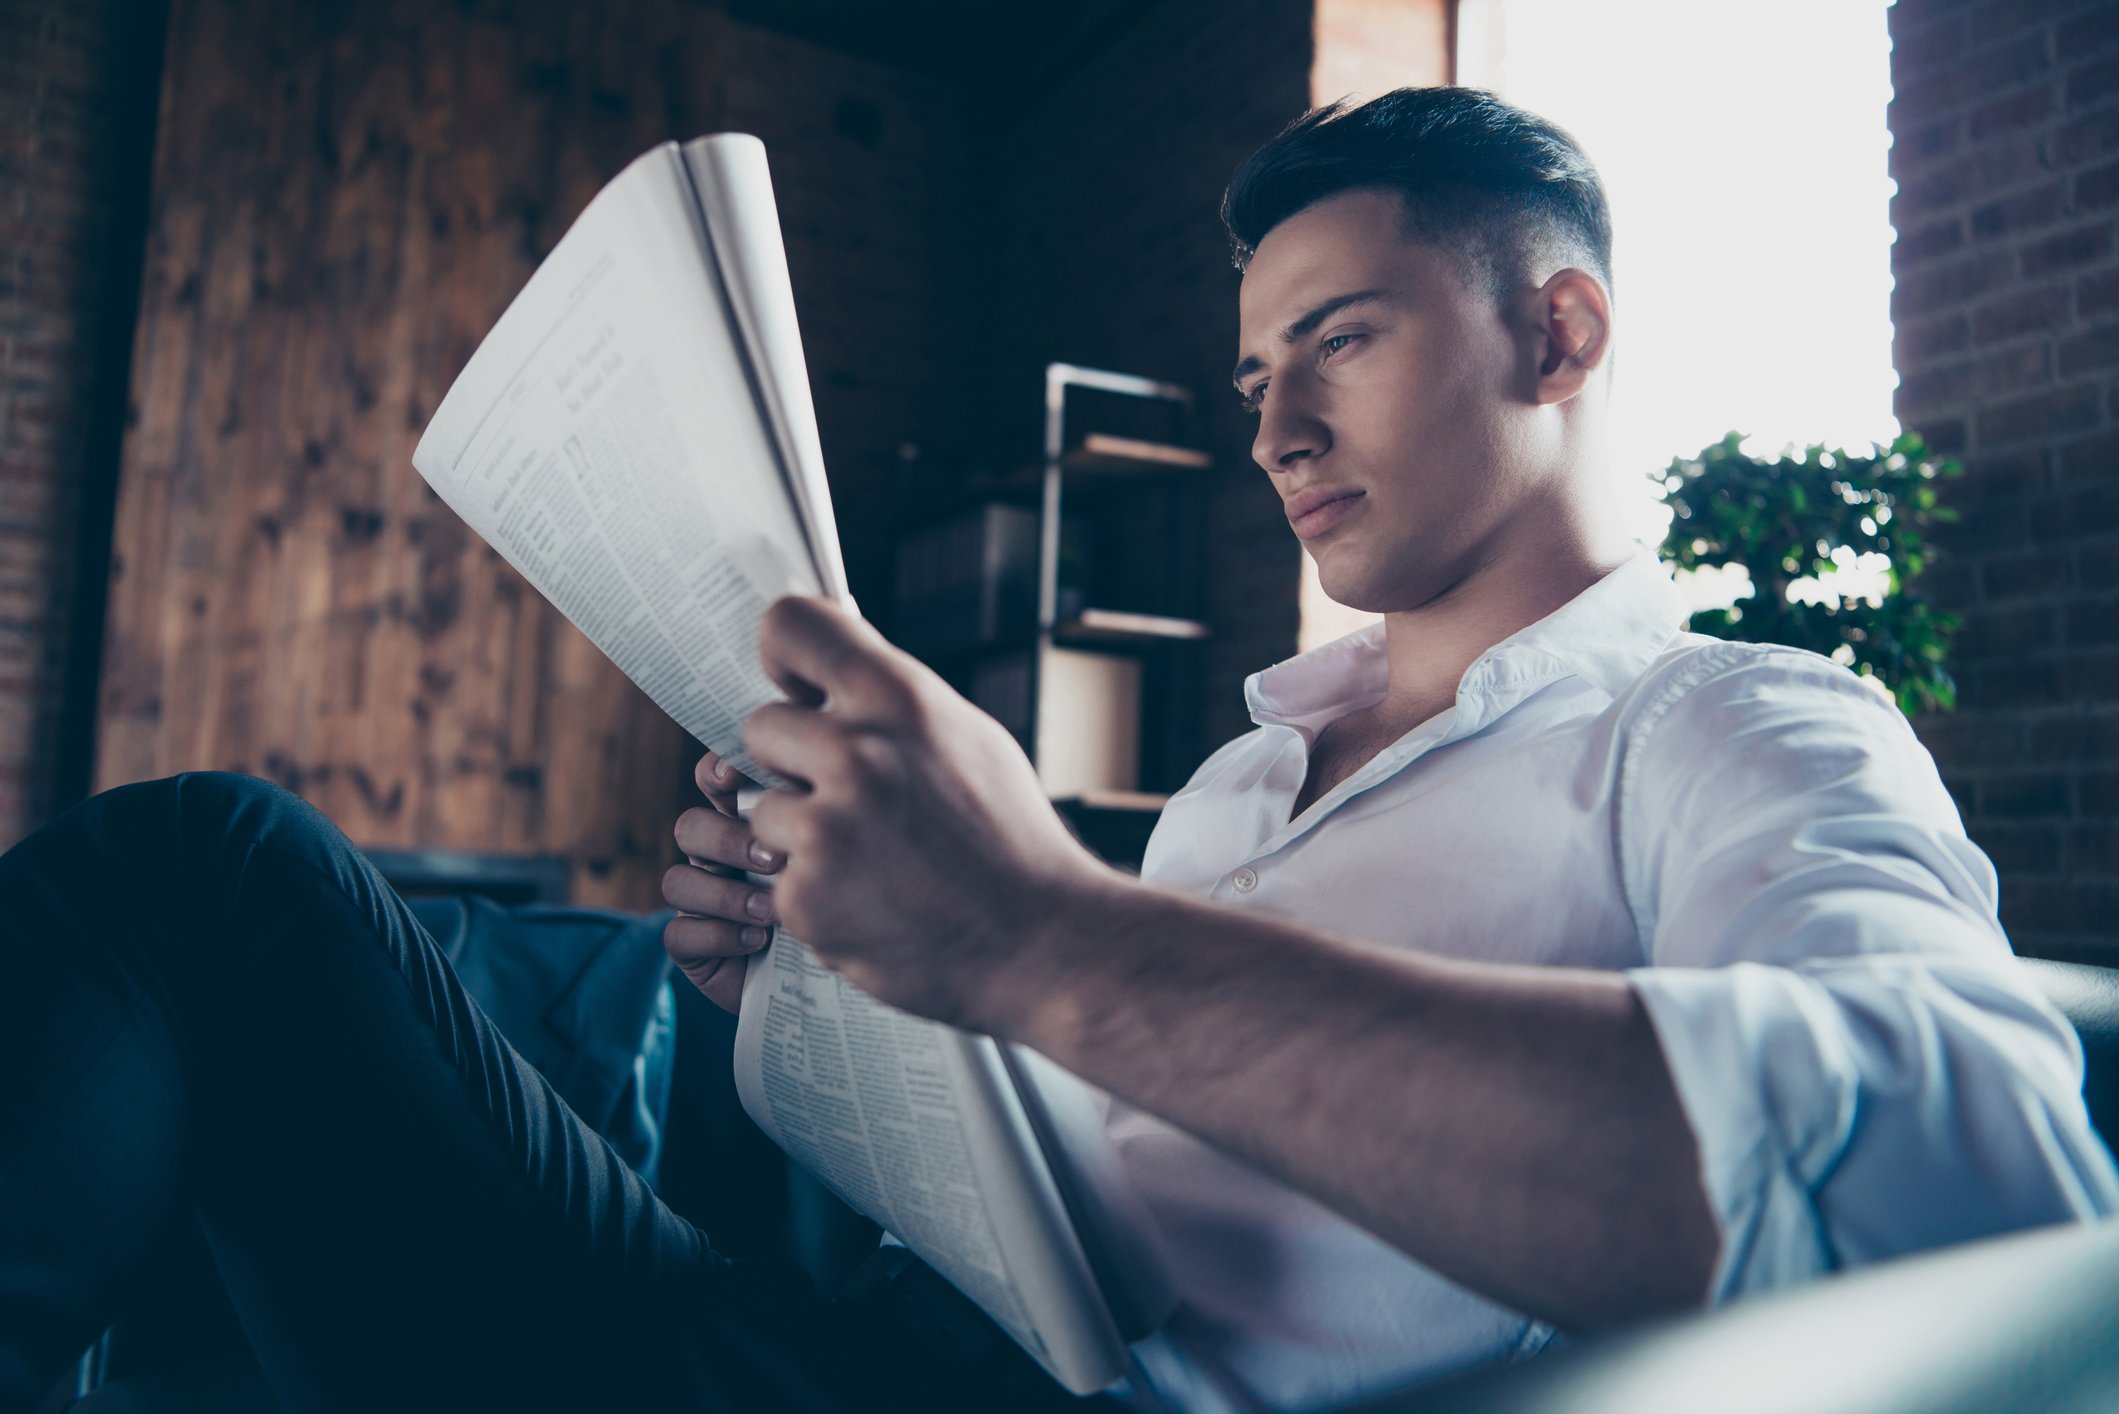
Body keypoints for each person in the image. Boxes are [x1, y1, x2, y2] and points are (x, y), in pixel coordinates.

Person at [2, 86, 2111, 1414]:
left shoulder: (1730, 718)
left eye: (1342, 343)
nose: (1274, 426)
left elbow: (1975, 1177)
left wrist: (1033, 932)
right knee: (211, 921)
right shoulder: (1234, 782)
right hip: (827, 1344)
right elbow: (1038, 1198)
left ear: (1552, 335)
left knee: (210, 873)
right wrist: (800, 1002)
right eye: (1255, 368)